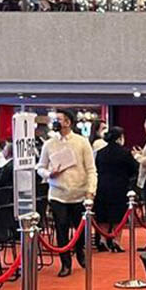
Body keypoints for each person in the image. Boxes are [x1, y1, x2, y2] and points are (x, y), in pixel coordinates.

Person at [37, 109, 97, 278]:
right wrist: (49, 174)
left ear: (68, 122)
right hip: (57, 193)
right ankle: (65, 263)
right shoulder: (49, 144)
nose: (55, 122)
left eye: (59, 119)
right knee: (61, 228)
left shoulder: (82, 142)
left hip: (79, 193)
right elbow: (40, 167)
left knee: (80, 229)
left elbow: (91, 169)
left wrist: (91, 191)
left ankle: (80, 252)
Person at [93, 124, 139, 252]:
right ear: (120, 137)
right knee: (118, 216)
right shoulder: (125, 153)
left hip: (102, 186)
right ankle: (116, 241)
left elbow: (96, 168)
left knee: (103, 215)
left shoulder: (101, 153)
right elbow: (134, 168)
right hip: (120, 187)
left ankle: (102, 239)